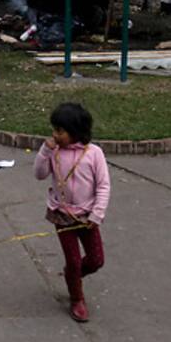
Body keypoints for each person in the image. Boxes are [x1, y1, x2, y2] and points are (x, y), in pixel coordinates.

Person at [34, 102, 110, 322]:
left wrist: (97, 214)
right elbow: (39, 174)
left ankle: (71, 275)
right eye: (54, 129)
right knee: (75, 260)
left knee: (96, 260)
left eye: (60, 131)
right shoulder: (54, 151)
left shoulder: (94, 153)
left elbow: (103, 186)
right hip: (62, 214)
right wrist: (44, 151)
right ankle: (77, 298)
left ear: (76, 131)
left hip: (87, 217)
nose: (55, 135)